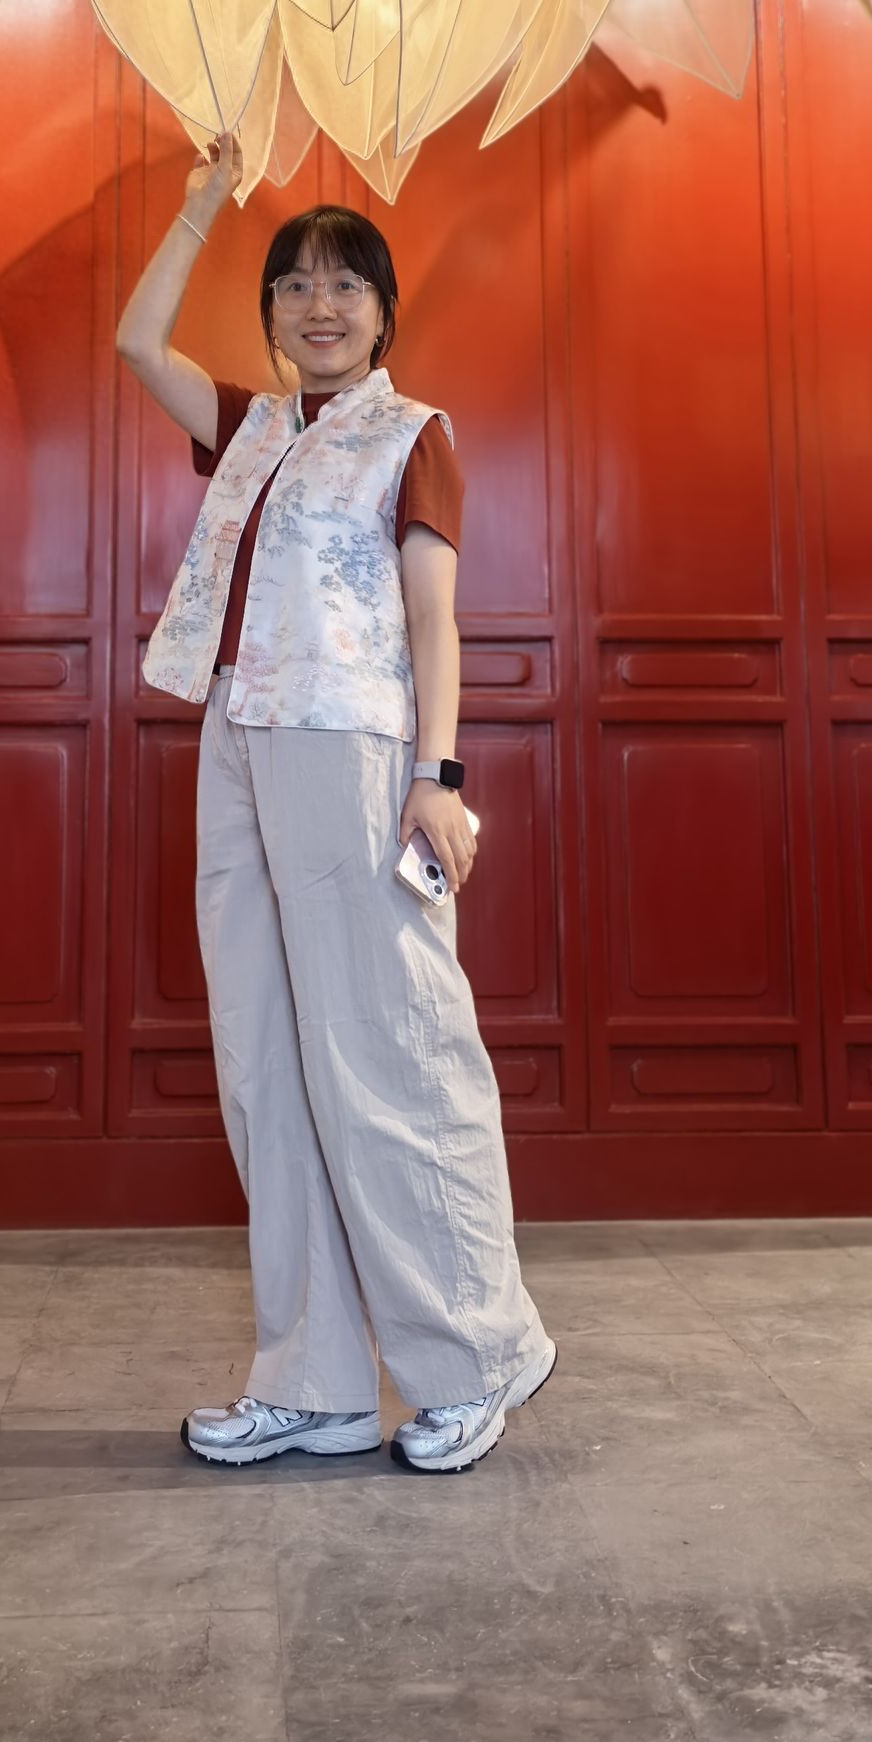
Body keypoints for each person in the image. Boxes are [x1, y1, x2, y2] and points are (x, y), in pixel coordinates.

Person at [116, 129, 556, 1473]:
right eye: (296, 285)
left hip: (354, 752)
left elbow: (436, 618)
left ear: (382, 312)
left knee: (390, 1058)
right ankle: (309, 1378)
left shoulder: (411, 436)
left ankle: (473, 1358)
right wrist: (199, 205)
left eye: (346, 285)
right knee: (265, 1064)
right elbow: (140, 344)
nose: (319, 306)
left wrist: (437, 777)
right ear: (270, 316)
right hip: (240, 745)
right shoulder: (251, 427)